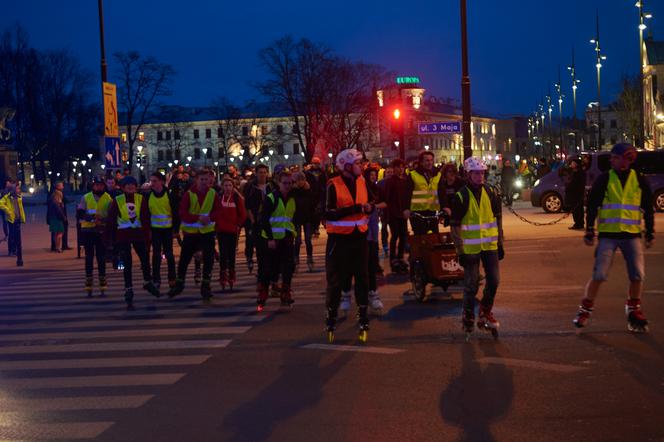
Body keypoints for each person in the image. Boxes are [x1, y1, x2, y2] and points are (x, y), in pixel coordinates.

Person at [573, 143, 655, 333]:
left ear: (627, 159)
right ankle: (585, 310)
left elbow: (648, 208)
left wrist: (649, 232)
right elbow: (592, 205)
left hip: (631, 234)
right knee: (599, 274)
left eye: (616, 157)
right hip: (608, 236)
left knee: (637, 275)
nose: (612, 160)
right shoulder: (604, 179)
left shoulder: (639, 180)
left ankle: (634, 309)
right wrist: (589, 230)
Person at [324, 149, 375, 342]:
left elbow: (371, 199)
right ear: (346, 166)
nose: (361, 166)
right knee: (336, 280)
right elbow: (328, 213)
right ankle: (331, 313)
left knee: (362, 277)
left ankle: (363, 314)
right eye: (357, 163)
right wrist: (353, 209)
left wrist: (370, 206)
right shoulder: (333, 185)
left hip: (359, 237)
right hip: (339, 240)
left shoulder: (362, 181)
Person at [450, 157, 504, 336]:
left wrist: (500, 242)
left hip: (489, 246)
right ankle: (467, 316)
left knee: (494, 281)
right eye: (476, 173)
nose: (480, 176)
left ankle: (485, 311)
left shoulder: (491, 192)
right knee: (471, 285)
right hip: (470, 249)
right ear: (468, 174)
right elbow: (455, 225)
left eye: (482, 173)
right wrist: (459, 250)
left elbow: (497, 218)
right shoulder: (461, 196)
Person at [106, 176, 161, 309]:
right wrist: (111, 242)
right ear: (123, 187)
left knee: (144, 259)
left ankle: (147, 281)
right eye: (127, 185)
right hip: (123, 235)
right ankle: (128, 288)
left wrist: (148, 238)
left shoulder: (141, 199)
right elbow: (111, 220)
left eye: (133, 185)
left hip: (138, 233)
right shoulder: (117, 200)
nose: (130, 187)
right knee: (127, 263)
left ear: (136, 187)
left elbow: (146, 218)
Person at [168, 169, 221, 300]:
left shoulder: (213, 194)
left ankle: (206, 285)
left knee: (208, 260)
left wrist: (210, 218)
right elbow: (183, 213)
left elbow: (218, 210)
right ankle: (179, 284)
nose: (204, 182)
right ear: (197, 180)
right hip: (191, 233)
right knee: (184, 260)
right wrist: (198, 218)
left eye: (206, 179)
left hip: (207, 232)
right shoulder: (189, 194)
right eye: (201, 179)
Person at [255, 170, 297, 310]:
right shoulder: (271, 198)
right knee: (268, 269)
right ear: (279, 183)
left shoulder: (292, 198)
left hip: (286, 238)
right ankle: (263, 293)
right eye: (285, 183)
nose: (287, 186)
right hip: (271, 239)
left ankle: (285, 292)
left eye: (290, 183)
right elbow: (264, 219)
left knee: (288, 268)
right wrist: (271, 238)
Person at [77, 176, 112, 296]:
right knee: (89, 257)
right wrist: (92, 219)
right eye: (97, 185)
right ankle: (89, 279)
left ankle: (102, 279)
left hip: (101, 231)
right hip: (88, 231)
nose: (99, 187)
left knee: (101, 258)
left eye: (101, 185)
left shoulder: (108, 198)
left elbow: (112, 215)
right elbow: (80, 214)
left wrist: (103, 220)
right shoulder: (86, 198)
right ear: (93, 186)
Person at [147, 171, 180, 290]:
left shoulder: (170, 195)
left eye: (155, 181)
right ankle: (156, 279)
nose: (152, 183)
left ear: (161, 182)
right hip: (155, 230)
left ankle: (172, 278)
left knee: (169, 254)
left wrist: (176, 230)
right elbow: (146, 214)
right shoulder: (148, 196)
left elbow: (176, 213)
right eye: (151, 181)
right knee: (156, 255)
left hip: (168, 229)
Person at [215, 177, 246, 291]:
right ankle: (223, 275)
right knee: (223, 253)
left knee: (231, 253)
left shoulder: (237, 198)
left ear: (233, 187)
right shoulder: (219, 198)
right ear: (222, 187)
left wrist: (238, 225)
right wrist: (217, 225)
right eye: (225, 185)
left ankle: (232, 274)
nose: (227, 188)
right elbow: (215, 212)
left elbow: (242, 214)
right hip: (221, 230)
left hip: (233, 230)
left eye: (230, 185)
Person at [364, 166, 386, 314]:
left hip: (373, 222)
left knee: (372, 250)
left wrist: (374, 206)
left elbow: (384, 203)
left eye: (374, 174)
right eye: (371, 174)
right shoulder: (363, 187)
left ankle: (372, 291)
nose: (373, 177)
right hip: (365, 224)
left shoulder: (377, 188)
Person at [242, 164, 272, 274]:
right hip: (253, 218)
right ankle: (249, 257)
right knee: (251, 240)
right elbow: (247, 204)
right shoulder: (251, 187)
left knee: (263, 244)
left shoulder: (271, 186)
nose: (263, 175)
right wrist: (252, 218)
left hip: (266, 219)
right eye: (260, 172)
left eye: (264, 172)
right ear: (256, 173)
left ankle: (263, 267)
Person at [405, 151, 443, 235]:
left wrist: (444, 208)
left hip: (432, 211)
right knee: (420, 238)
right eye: (427, 160)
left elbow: (441, 193)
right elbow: (407, 194)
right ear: (421, 162)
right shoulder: (413, 175)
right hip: (417, 212)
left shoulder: (438, 175)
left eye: (431, 160)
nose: (429, 163)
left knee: (434, 237)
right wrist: (407, 209)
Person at [384, 158, 410, 273]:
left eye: (402, 167)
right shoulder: (390, 181)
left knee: (403, 235)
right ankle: (393, 257)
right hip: (394, 213)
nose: (400, 169)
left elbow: (406, 197)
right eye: (398, 167)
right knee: (395, 235)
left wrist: (407, 209)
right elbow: (387, 198)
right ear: (393, 169)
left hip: (402, 213)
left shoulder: (405, 181)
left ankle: (400, 256)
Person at [291, 171, 316, 272]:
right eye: (298, 180)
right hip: (297, 218)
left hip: (307, 218)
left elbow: (312, 205)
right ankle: (296, 261)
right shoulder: (293, 191)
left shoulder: (308, 190)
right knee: (297, 241)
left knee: (308, 240)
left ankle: (310, 260)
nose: (300, 182)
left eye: (302, 179)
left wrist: (314, 218)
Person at [0, 182, 25, 266]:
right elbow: (1, 203)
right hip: (11, 219)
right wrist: (8, 211)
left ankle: (17, 253)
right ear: (14, 190)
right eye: (18, 188)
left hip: (18, 219)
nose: (19, 190)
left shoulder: (18, 197)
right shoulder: (8, 197)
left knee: (18, 238)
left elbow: (20, 207)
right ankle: (12, 251)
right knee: (12, 235)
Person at [561, 158, 586, 230]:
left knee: (576, 210)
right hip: (578, 194)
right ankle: (580, 223)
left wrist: (567, 186)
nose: (571, 164)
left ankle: (578, 224)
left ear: (576, 164)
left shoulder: (577, 173)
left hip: (576, 194)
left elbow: (574, 184)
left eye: (572, 163)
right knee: (578, 209)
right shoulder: (579, 172)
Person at [305, 156, 326, 237]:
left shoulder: (322, 172)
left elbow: (324, 182)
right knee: (311, 212)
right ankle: (312, 228)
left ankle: (316, 228)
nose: (316, 165)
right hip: (311, 194)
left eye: (317, 163)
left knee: (318, 213)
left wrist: (323, 191)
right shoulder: (308, 172)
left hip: (319, 195)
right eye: (315, 163)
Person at [377, 166, 393, 257]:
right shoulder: (380, 183)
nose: (390, 174)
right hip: (384, 209)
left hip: (393, 209)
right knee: (384, 228)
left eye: (391, 172)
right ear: (385, 174)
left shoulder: (396, 182)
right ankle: (385, 245)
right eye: (388, 172)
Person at [48, 188, 66, 253]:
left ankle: (56, 247)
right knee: (60, 233)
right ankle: (58, 248)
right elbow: (59, 211)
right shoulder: (57, 203)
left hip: (53, 219)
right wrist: (63, 217)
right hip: (57, 219)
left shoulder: (52, 201)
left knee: (56, 234)